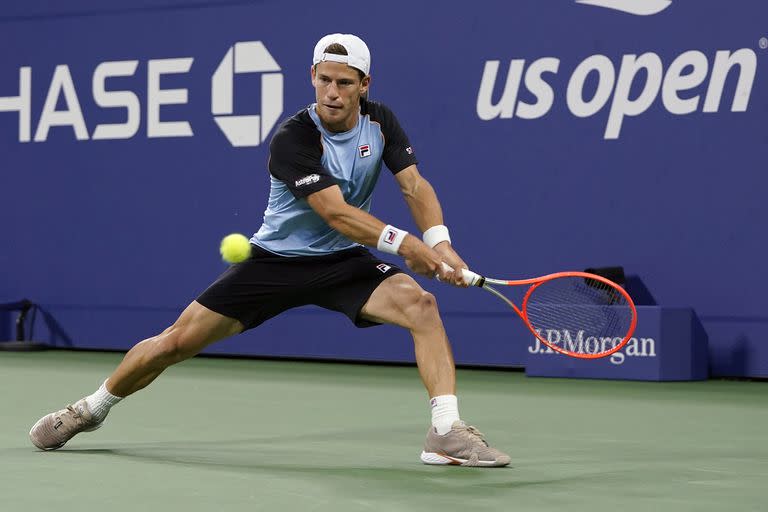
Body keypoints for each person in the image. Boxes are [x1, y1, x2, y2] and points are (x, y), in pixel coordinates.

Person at [29, 33, 510, 467]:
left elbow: (413, 185)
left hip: (344, 263)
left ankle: (445, 431)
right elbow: (336, 213)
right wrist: (405, 243)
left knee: (420, 305)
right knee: (173, 343)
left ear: (365, 84)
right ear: (312, 77)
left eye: (345, 82)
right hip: (275, 264)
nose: (332, 93)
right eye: (324, 80)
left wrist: (438, 241)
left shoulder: (380, 123)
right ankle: (91, 409)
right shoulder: (293, 137)